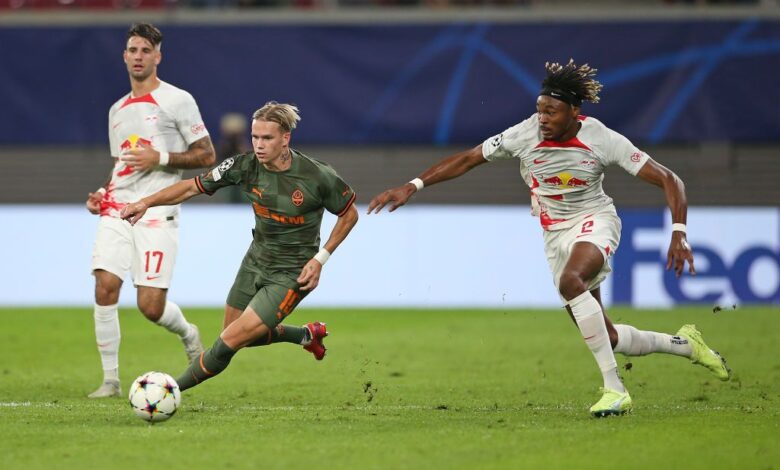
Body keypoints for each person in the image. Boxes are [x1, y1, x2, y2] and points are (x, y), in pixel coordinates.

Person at [367, 59, 731, 417]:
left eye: (551, 112)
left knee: (571, 281)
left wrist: (679, 232)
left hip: (595, 220)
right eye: (539, 110)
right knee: (610, 337)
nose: (542, 119)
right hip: (554, 234)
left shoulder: (601, 138)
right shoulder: (523, 134)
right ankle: (686, 345)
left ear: (574, 111)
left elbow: (670, 179)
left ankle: (615, 389)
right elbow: (469, 159)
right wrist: (413, 185)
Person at [120, 101, 358, 392]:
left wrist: (320, 259)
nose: (259, 145)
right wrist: (145, 202)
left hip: (292, 274)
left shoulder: (316, 176)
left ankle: (165, 391)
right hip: (255, 262)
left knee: (228, 343)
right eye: (255, 137)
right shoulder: (243, 166)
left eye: (267, 138)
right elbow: (192, 186)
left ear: (285, 139)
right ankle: (306, 335)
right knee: (235, 333)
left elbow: (350, 213)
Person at [85, 23, 216, 398]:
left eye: (146, 50)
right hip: (119, 210)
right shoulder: (116, 111)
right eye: (133, 50)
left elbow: (207, 155)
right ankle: (110, 380)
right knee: (105, 285)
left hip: (158, 211)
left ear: (157, 57)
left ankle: (189, 334)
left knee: (150, 305)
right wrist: (101, 193)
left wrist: (158, 156)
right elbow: (122, 166)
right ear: (124, 56)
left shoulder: (177, 100)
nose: (138, 56)